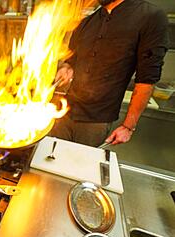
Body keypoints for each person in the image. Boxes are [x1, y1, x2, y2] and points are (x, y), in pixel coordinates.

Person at [51, 0, 168, 147]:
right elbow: (72, 61)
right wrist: (66, 69)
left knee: (81, 165)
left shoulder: (150, 16)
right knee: (50, 163)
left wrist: (128, 126)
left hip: (96, 120)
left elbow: (147, 78)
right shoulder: (88, 22)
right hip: (64, 112)